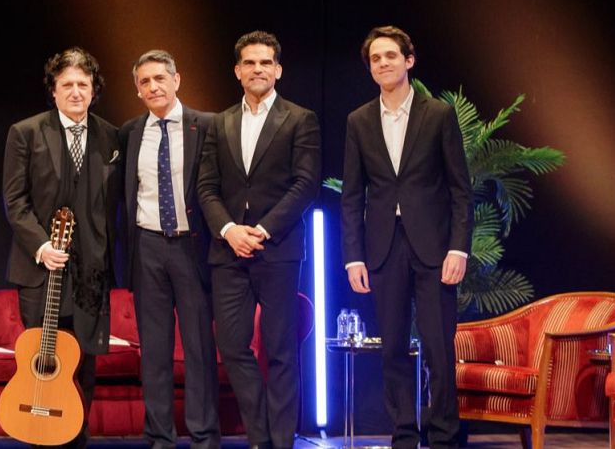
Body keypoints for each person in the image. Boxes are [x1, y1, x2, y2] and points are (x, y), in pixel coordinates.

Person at [341, 26, 471, 449]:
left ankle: (445, 436)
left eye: (391, 56)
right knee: (392, 347)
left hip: (434, 247)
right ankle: (403, 435)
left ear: (408, 61)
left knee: (437, 347)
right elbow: (352, 195)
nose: (383, 63)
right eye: (375, 58)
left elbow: (460, 188)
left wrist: (458, 248)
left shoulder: (438, 114)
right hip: (383, 247)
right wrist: (353, 257)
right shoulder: (359, 120)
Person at [196, 31, 321, 449]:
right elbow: (206, 187)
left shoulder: (300, 119)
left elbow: (305, 184)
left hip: (278, 249)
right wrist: (230, 230)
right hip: (228, 251)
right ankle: (260, 435)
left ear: (278, 70)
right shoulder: (220, 122)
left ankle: (280, 441)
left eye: (266, 62)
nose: (257, 69)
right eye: (249, 63)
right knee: (232, 346)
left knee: (281, 349)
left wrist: (263, 229)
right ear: (237, 71)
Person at [2, 47, 120, 449]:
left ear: (93, 90)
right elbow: (14, 201)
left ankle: (77, 439)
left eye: (83, 84)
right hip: (39, 270)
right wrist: (41, 246)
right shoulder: (26, 132)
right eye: (66, 84)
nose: (75, 92)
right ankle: (41, 438)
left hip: (91, 273)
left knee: (84, 366)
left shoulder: (110, 136)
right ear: (53, 90)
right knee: (43, 361)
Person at [120, 50, 219, 449]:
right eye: (144, 81)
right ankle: (159, 437)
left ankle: (204, 436)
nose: (153, 87)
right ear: (137, 89)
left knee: (198, 348)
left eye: (160, 78)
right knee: (155, 352)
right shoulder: (130, 132)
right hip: (147, 247)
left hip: (192, 247)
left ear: (177, 80)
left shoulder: (207, 125)